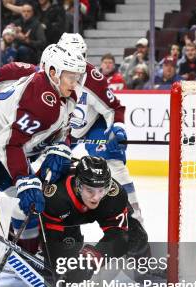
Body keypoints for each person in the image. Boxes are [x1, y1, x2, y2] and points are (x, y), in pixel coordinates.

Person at [0, 43, 86, 252]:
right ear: (53, 72)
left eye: (77, 76)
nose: (75, 82)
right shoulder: (40, 101)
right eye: (71, 76)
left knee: (35, 201)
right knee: (21, 204)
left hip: (3, 144)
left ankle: (27, 246)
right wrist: (25, 179)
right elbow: (9, 143)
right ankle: (26, 252)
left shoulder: (65, 93)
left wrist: (61, 145)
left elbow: (62, 129)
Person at [58, 33, 145, 226]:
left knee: (114, 162)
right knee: (45, 168)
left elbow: (114, 108)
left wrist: (117, 129)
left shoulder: (93, 79)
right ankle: (46, 220)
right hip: (59, 131)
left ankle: (133, 215)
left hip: (90, 126)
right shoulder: (49, 73)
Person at [40, 156, 148, 283]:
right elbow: (51, 237)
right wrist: (54, 263)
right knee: (62, 266)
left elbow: (120, 237)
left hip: (95, 211)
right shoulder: (56, 197)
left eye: (101, 190)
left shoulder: (115, 195)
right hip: (67, 216)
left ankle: (145, 271)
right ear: (78, 185)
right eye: (89, 190)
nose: (95, 198)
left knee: (137, 237)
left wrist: (91, 260)